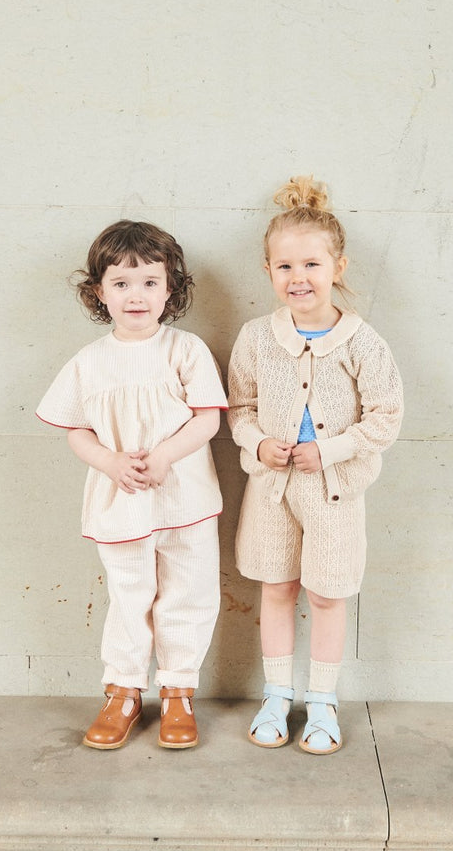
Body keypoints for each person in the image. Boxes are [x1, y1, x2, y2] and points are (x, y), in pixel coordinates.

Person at [228, 177, 403, 755]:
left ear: (338, 265)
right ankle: (277, 694)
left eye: (310, 264)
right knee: (276, 587)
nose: (297, 277)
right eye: (283, 266)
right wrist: (257, 445)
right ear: (269, 271)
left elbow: (385, 418)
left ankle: (323, 701)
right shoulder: (257, 338)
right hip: (272, 491)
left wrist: (327, 451)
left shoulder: (362, 342)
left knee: (327, 594)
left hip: (333, 493)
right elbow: (242, 408)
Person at [37, 221, 226, 751]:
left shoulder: (184, 350)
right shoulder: (89, 362)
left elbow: (207, 419)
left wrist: (165, 455)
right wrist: (111, 461)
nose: (135, 295)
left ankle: (178, 692)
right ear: (99, 291)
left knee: (189, 593)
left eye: (149, 281)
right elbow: (76, 429)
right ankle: (122, 691)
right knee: (129, 596)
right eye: (121, 283)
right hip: (120, 502)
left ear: (171, 289)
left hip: (185, 498)